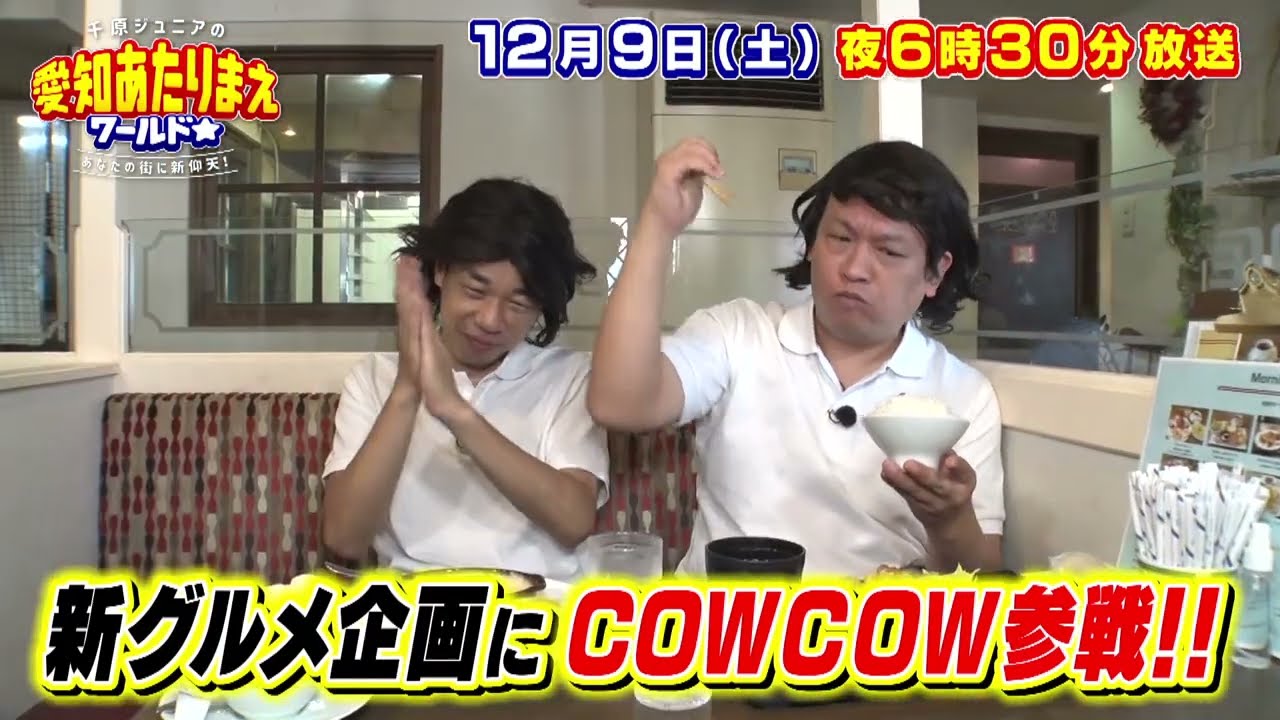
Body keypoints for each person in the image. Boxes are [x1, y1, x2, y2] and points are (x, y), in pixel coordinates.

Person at [587, 137, 1005, 577]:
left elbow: (986, 577)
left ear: (935, 273)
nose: (854, 268)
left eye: (889, 251)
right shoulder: (739, 334)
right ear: (812, 244)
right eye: (840, 238)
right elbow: (619, 403)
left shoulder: (963, 395)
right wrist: (659, 223)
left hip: (875, 616)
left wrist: (949, 521)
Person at [322, 178, 609, 582]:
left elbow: (574, 521)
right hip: (416, 601)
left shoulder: (569, 377)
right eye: (476, 290)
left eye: (519, 303)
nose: (491, 320)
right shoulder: (374, 378)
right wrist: (408, 388)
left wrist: (454, 411)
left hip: (541, 602)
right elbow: (344, 538)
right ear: (440, 271)